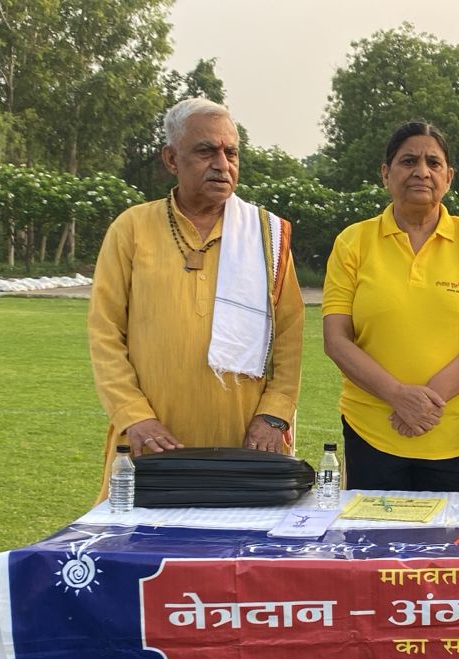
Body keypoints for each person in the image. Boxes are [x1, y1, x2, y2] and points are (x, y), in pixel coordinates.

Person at [88, 98, 303, 492]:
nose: (222, 164)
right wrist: (133, 416)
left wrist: (274, 416)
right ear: (172, 159)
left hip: (246, 442)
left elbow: (288, 335)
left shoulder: (265, 235)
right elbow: (105, 333)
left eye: (231, 152)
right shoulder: (132, 228)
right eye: (206, 151)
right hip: (150, 442)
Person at [321, 122, 459, 490]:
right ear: (386, 174)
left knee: (445, 531)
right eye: (408, 161)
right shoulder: (353, 242)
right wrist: (396, 395)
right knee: (372, 529)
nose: (421, 171)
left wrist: (426, 402)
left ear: (448, 177)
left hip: (451, 434)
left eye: (433, 163)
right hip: (371, 431)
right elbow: (336, 339)